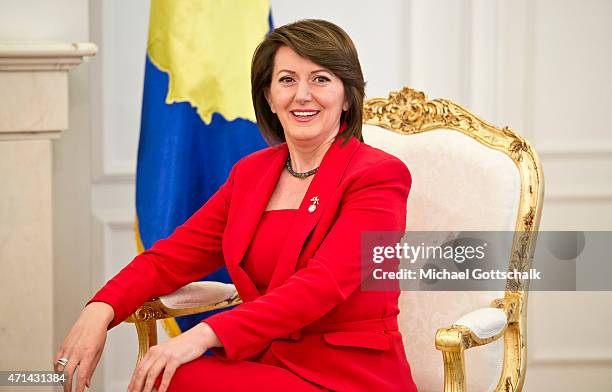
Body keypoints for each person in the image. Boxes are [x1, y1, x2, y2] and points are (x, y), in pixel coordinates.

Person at [54, 19, 417, 392]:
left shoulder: (379, 176)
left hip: (350, 375)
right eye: (287, 80)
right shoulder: (251, 175)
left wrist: (203, 335)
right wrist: (100, 310)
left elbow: (323, 285)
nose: (302, 95)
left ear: (347, 96)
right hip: (269, 364)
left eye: (321, 79)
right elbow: (169, 259)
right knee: (172, 376)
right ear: (269, 97)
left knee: (181, 375)